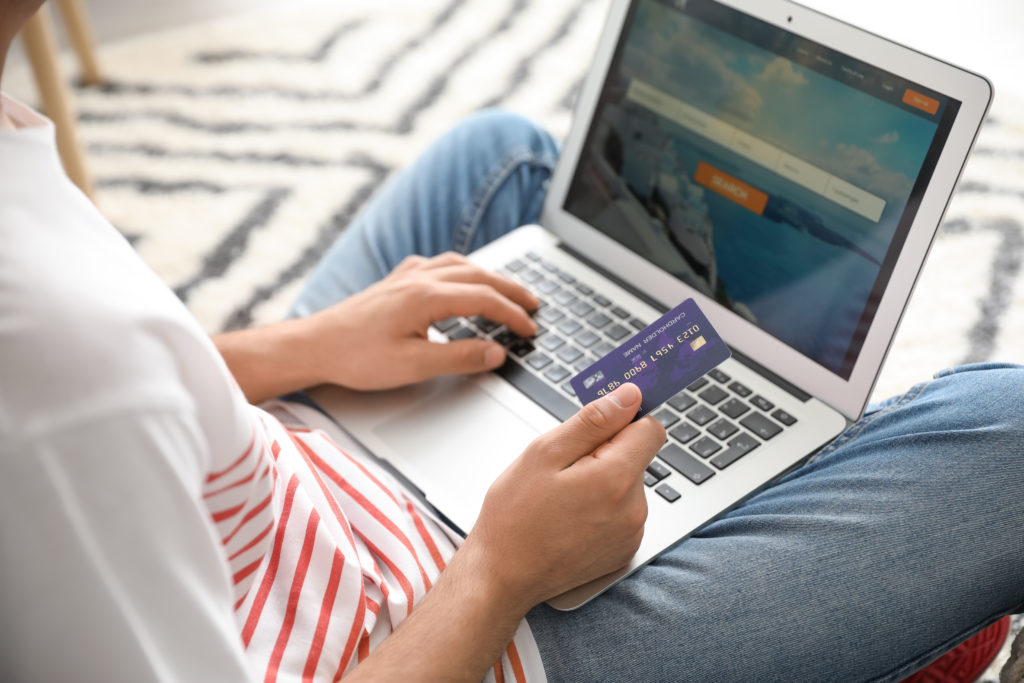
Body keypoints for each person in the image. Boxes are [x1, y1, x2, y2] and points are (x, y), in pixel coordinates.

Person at [2, 2, 1023, 681]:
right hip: (444, 627)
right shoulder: (49, 346)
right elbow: (81, 388)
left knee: (495, 159)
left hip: (285, 476)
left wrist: (305, 345)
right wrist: (498, 568)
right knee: (1008, 433)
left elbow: (123, 392)